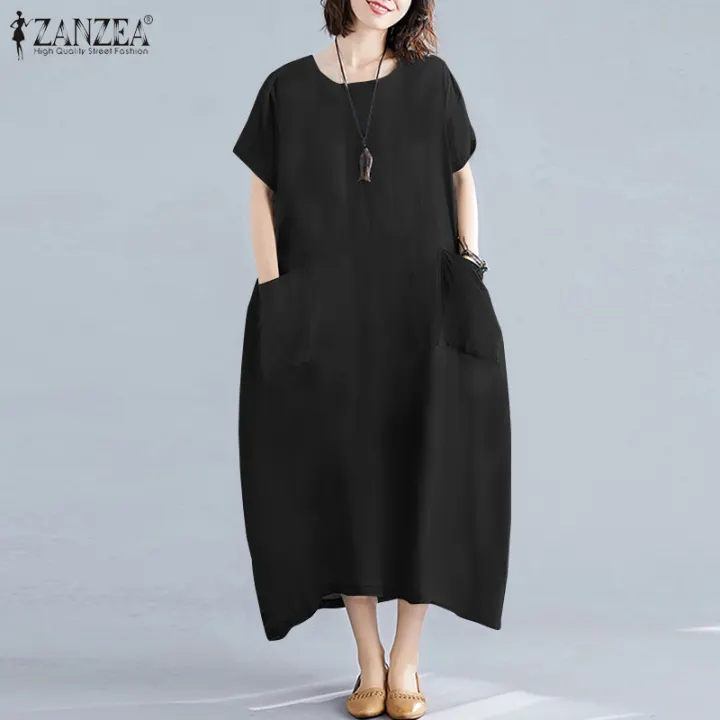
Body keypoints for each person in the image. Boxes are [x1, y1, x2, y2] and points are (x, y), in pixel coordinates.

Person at [231, 1, 511, 718]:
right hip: (325, 318)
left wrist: (468, 270)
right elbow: (261, 192)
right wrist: (275, 290)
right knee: (344, 476)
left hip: (420, 310)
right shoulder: (286, 89)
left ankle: (406, 660)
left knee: (425, 470)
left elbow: (462, 180)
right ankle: (368, 659)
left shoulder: (432, 81)